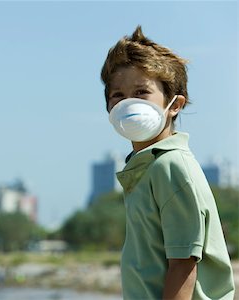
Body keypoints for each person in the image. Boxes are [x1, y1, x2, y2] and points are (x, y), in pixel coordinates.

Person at [101, 26, 235, 299]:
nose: (129, 103)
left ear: (174, 105)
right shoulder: (147, 165)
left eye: (141, 92)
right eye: (118, 95)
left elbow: (183, 265)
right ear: (108, 107)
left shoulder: (170, 166)